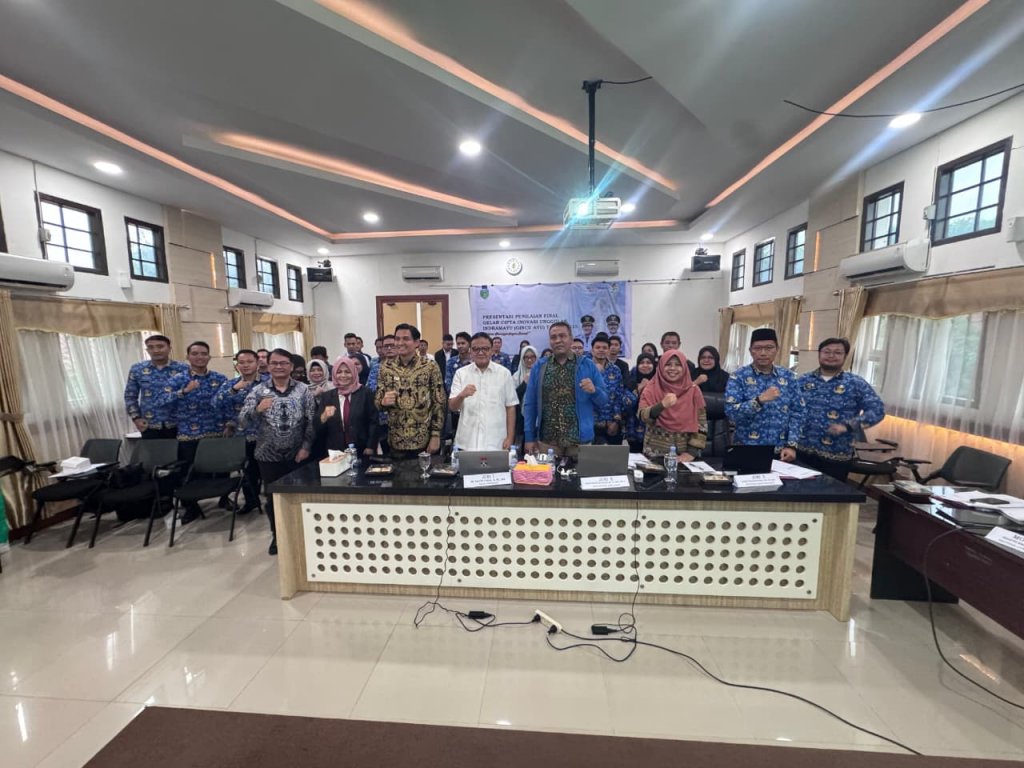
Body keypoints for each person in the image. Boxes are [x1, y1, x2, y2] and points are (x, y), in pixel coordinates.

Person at [239, 349, 316, 556]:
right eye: (274, 363)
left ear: (291, 366)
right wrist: (257, 409)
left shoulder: (303, 390)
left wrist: (306, 447)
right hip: (268, 455)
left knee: (300, 497)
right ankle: (278, 535)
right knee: (273, 498)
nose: (279, 367)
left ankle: (303, 534)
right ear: (268, 365)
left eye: (283, 363)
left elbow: (311, 421)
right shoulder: (258, 391)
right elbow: (242, 421)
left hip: (297, 455)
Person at [155, 341, 228, 523]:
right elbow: (160, 401)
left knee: (222, 469)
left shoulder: (219, 378)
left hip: (216, 432)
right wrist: (184, 391)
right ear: (187, 357)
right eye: (195, 353)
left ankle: (224, 499)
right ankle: (190, 507)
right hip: (188, 434)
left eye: (203, 353)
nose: (199, 357)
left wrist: (229, 423)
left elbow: (227, 402)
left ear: (209, 357)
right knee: (188, 472)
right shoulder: (177, 379)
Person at [795, 338, 885, 481]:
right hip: (801, 452)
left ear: (845, 356)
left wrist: (849, 425)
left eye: (837, 352)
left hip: (836, 455)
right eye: (827, 352)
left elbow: (877, 410)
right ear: (819, 354)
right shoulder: (803, 381)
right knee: (797, 492)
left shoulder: (856, 383)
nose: (831, 356)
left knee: (831, 493)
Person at [523, 321, 608, 458]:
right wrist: (529, 437)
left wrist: (594, 391)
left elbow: (604, 401)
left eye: (562, 336)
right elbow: (530, 404)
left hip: (580, 442)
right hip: (548, 442)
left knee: (580, 473)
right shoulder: (540, 366)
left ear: (571, 339)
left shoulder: (588, 365)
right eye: (553, 337)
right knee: (547, 473)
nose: (558, 340)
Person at [725, 328, 802, 460]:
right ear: (750, 351)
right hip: (746, 449)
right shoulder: (738, 377)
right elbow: (731, 412)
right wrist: (758, 401)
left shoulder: (789, 377)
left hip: (781, 451)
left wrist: (792, 445)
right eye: (757, 348)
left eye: (769, 348)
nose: (763, 353)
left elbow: (798, 412)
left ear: (777, 349)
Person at [374, 323, 446, 459]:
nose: (400, 343)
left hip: (424, 439)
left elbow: (439, 402)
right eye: (397, 339)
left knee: (426, 472)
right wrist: (383, 402)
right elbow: (377, 402)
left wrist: (436, 435)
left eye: (405, 339)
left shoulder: (430, 366)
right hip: (396, 440)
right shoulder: (385, 368)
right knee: (397, 473)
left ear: (417, 342)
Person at [213, 349, 263, 515]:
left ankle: (273, 503)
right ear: (237, 365)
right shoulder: (231, 384)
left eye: (249, 362)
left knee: (267, 471)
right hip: (241, 436)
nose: (245, 365)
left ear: (257, 363)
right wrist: (234, 389)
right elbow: (215, 404)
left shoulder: (267, 382)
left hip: (265, 436)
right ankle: (251, 502)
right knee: (248, 472)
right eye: (241, 362)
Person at [449, 332, 519, 451]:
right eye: (476, 349)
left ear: (491, 350)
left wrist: (510, 437)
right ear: (471, 351)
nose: (480, 352)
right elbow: (452, 407)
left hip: (497, 442)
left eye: (485, 349)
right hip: (467, 442)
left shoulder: (504, 374)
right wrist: (461, 395)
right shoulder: (461, 374)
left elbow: (511, 407)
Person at [639, 350, 708, 461]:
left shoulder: (694, 391)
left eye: (678, 365)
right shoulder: (650, 388)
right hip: (654, 454)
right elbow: (642, 416)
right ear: (661, 366)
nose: (672, 368)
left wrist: (691, 453)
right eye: (668, 364)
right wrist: (661, 405)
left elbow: (702, 424)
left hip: (684, 456)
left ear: (684, 367)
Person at [124, 334, 188, 439]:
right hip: (149, 425)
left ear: (169, 348)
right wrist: (136, 418)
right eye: (151, 347)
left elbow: (190, 395)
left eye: (160, 346)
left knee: (180, 450)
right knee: (154, 450)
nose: (156, 350)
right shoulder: (137, 369)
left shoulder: (183, 369)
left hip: (179, 424)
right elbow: (130, 396)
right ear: (147, 350)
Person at [316, 356, 379, 457]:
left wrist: (370, 446)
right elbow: (317, 426)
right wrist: (324, 416)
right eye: (339, 372)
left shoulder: (365, 393)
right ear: (334, 374)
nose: (343, 375)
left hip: (362, 449)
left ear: (354, 373)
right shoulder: (327, 396)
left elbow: (374, 422)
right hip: (336, 451)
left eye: (347, 372)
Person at [590, 333, 634, 446]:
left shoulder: (615, 370)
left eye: (604, 348)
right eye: (598, 347)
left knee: (614, 456)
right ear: (592, 350)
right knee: (591, 456)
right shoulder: (585, 369)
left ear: (608, 350)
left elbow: (619, 396)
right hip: (591, 424)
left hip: (612, 424)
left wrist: (616, 421)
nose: (601, 350)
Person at [625, 353, 656, 453]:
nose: (645, 365)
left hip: (655, 430)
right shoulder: (631, 381)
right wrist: (639, 388)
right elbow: (627, 405)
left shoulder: (659, 383)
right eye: (642, 363)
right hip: (633, 428)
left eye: (649, 362)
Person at [513, 345, 538, 447]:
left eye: (532, 357)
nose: (529, 360)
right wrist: (524, 383)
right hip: (521, 418)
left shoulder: (543, 374)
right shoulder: (516, 376)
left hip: (538, 416)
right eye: (526, 357)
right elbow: (513, 398)